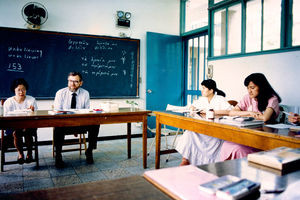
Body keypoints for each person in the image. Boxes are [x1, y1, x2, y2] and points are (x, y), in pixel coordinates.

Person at [220, 73, 281, 160]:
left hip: (265, 138)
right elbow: (232, 112)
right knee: (227, 144)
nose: (249, 91)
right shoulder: (248, 98)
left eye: (252, 88)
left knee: (238, 149)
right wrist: (249, 113)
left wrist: (248, 113)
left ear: (261, 87)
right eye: (248, 88)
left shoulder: (272, 99)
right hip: (249, 134)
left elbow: (265, 118)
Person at [175, 79, 232, 166]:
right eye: (202, 88)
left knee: (191, 133)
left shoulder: (220, 99)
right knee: (189, 132)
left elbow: (230, 111)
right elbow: (193, 106)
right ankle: (185, 159)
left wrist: (211, 111)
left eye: (204, 88)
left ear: (211, 90)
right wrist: (192, 108)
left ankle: (187, 160)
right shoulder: (202, 99)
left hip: (216, 130)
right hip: (204, 127)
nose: (201, 90)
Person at [53, 72, 100, 168]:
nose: (72, 84)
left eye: (75, 81)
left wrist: (77, 122)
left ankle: (89, 151)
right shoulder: (60, 93)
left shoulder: (85, 93)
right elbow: (58, 112)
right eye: (70, 81)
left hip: (80, 123)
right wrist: (70, 122)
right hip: (64, 123)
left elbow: (86, 111)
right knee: (58, 127)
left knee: (95, 124)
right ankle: (58, 155)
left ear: (81, 83)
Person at [3, 78, 37, 164]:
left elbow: (36, 117)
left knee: (27, 130)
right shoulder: (9, 102)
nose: (21, 92)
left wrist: (33, 111)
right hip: (13, 126)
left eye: (23, 89)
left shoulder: (31, 100)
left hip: (29, 125)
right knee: (16, 132)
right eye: (19, 90)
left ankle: (29, 153)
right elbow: (6, 118)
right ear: (14, 90)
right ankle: (20, 154)